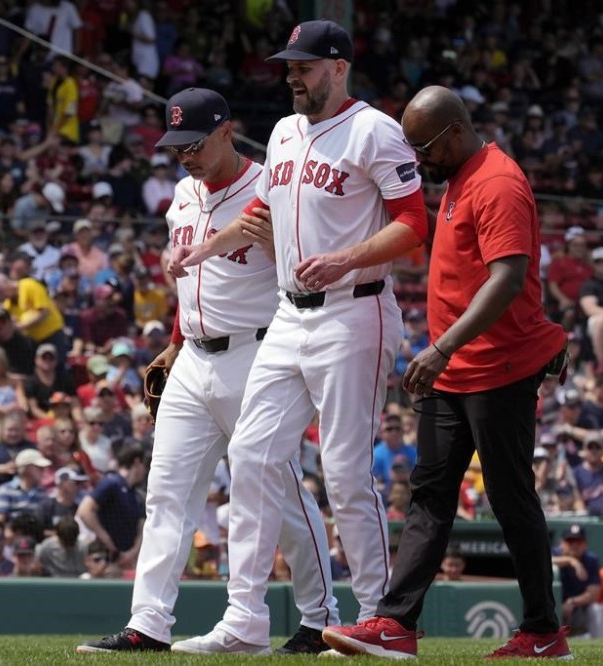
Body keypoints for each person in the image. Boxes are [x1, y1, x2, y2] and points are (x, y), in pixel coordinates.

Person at [168, 23, 428, 655]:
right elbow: (262, 217)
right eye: (289, 66)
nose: (291, 76)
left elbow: (414, 226)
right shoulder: (285, 131)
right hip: (290, 315)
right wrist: (206, 247)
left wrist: (346, 258)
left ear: (338, 69)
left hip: (354, 309)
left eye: (304, 66)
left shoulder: (374, 130)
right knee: (252, 457)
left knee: (343, 471)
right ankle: (244, 619)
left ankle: (381, 618)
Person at [78, 88, 339, 656]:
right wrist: (173, 346)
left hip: (259, 353)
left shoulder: (273, 184)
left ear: (227, 131)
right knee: (167, 493)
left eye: (194, 143)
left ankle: (321, 618)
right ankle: (148, 623)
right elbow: (188, 284)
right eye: (176, 146)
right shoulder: (181, 195)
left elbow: (310, 272)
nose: (185, 156)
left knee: (279, 490)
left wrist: (286, 246)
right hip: (194, 357)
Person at [322, 85, 570, 659]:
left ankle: (543, 631)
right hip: (458, 368)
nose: (417, 160)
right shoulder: (462, 176)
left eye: (423, 147)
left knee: (510, 498)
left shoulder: (498, 182)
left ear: (455, 131)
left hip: (497, 365)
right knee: (430, 493)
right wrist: (444, 355)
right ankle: (395, 623)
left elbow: (507, 279)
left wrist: (440, 349)